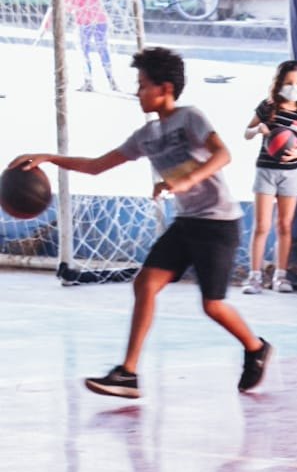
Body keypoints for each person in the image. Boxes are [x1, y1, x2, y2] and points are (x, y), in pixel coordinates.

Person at [11, 46, 272, 399]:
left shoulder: (190, 117)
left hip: (218, 224)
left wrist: (184, 179)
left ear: (165, 88)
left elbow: (223, 154)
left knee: (212, 305)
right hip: (187, 222)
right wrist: (48, 157)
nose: (138, 92)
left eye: (143, 85)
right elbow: (96, 165)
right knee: (145, 284)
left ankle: (255, 347)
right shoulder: (146, 136)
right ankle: (128, 373)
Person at [242, 60, 297, 295]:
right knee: (262, 225)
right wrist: (259, 130)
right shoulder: (267, 107)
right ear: (279, 84)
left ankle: (280, 275)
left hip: (290, 174)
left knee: (284, 225)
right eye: (288, 83)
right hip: (265, 171)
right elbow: (246, 132)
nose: (293, 87)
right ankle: (254, 276)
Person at [39, 0, 117, 92]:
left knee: (84, 52)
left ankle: (88, 82)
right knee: (103, 50)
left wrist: (44, 28)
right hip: (101, 19)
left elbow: (54, 9)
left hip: (85, 22)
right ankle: (112, 82)